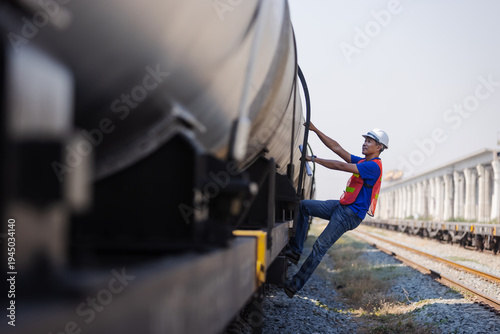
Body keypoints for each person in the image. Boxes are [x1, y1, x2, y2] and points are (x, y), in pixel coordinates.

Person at [283, 123, 389, 298]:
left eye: (369, 141)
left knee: (319, 247)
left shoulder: (373, 166)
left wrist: (313, 159)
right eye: (365, 140)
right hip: (342, 206)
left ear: (379, 147)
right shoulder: (364, 161)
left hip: (350, 214)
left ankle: (293, 286)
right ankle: (295, 250)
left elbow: (340, 166)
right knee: (304, 206)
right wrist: (316, 130)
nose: (365, 143)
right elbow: (337, 148)